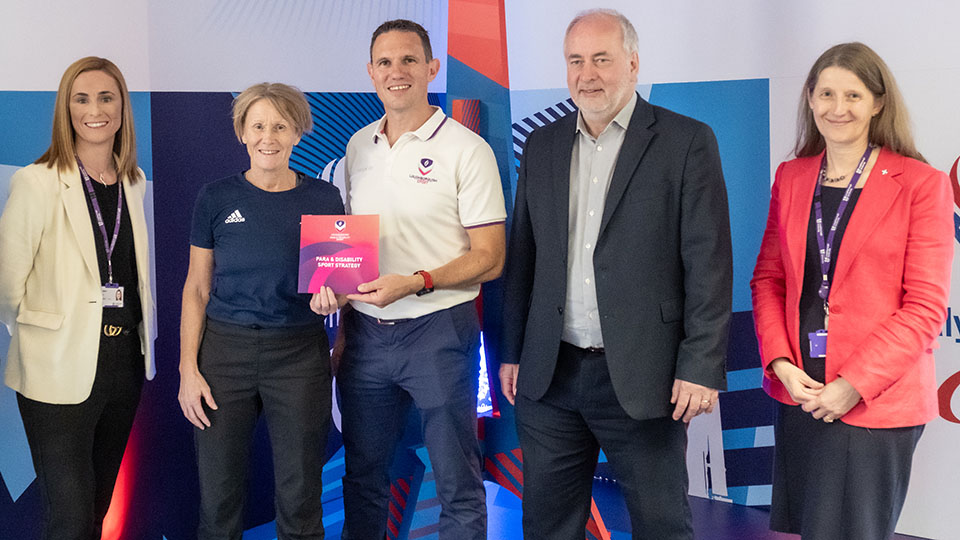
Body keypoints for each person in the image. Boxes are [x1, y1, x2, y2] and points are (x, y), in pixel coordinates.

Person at [499, 9, 732, 540]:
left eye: (602, 59)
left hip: (645, 375)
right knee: (548, 525)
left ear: (632, 62)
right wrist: (511, 350)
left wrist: (700, 365)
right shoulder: (543, 144)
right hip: (550, 375)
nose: (588, 74)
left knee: (661, 525)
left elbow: (709, 263)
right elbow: (524, 257)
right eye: (576, 61)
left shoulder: (686, 141)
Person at [751, 42, 953, 540]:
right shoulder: (792, 177)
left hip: (872, 402)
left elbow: (925, 308)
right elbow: (768, 279)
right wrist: (780, 363)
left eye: (853, 95)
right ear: (810, 99)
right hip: (803, 394)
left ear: (878, 103)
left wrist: (852, 385)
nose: (837, 108)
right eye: (826, 94)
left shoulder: (921, 184)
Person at [337, 19, 506, 540]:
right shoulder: (356, 146)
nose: (397, 72)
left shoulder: (467, 149)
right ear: (370, 73)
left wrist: (416, 281)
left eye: (409, 60)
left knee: (457, 479)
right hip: (366, 335)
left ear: (432, 68)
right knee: (363, 478)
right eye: (384, 62)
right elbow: (347, 247)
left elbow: (492, 258)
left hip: (439, 329)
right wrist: (337, 304)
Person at [177, 82, 344, 540]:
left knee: (301, 494)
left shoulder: (325, 199)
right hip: (223, 355)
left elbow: (338, 286)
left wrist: (334, 300)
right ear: (242, 133)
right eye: (257, 126)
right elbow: (196, 288)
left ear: (297, 133)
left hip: (298, 355)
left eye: (279, 126)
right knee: (219, 497)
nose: (267, 136)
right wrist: (188, 370)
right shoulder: (215, 198)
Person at [0, 56, 156, 539]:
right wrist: (45, 331)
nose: (95, 110)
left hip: (122, 362)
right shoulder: (37, 181)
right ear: (66, 110)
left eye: (106, 97)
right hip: (56, 365)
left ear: (122, 107)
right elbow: (7, 284)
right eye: (82, 98)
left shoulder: (134, 181)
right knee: (68, 519)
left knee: (95, 510)